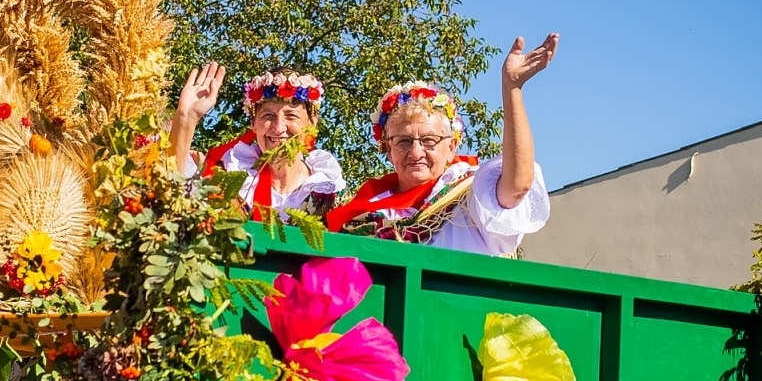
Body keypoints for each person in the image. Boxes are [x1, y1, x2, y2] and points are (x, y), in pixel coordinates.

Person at [325, 34, 558, 256]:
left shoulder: (468, 196)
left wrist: (512, 88)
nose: (416, 152)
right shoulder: (366, 209)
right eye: (404, 141)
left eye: (429, 140)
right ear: (388, 150)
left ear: (452, 147)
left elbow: (518, 184)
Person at [170, 63, 346, 218]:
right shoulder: (231, 179)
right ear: (253, 123)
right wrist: (186, 119)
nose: (278, 128)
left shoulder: (327, 186)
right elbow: (174, 194)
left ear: (312, 122)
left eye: (291, 115)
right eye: (268, 115)